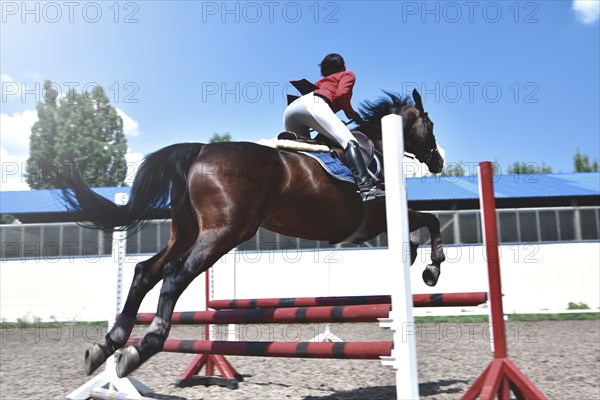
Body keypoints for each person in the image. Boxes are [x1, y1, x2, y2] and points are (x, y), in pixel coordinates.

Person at [283, 53, 385, 202]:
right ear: (343, 66)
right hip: (314, 105)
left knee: (304, 154)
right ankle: (367, 188)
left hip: (291, 110)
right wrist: (351, 114)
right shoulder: (347, 74)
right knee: (349, 142)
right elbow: (342, 95)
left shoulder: (321, 81)